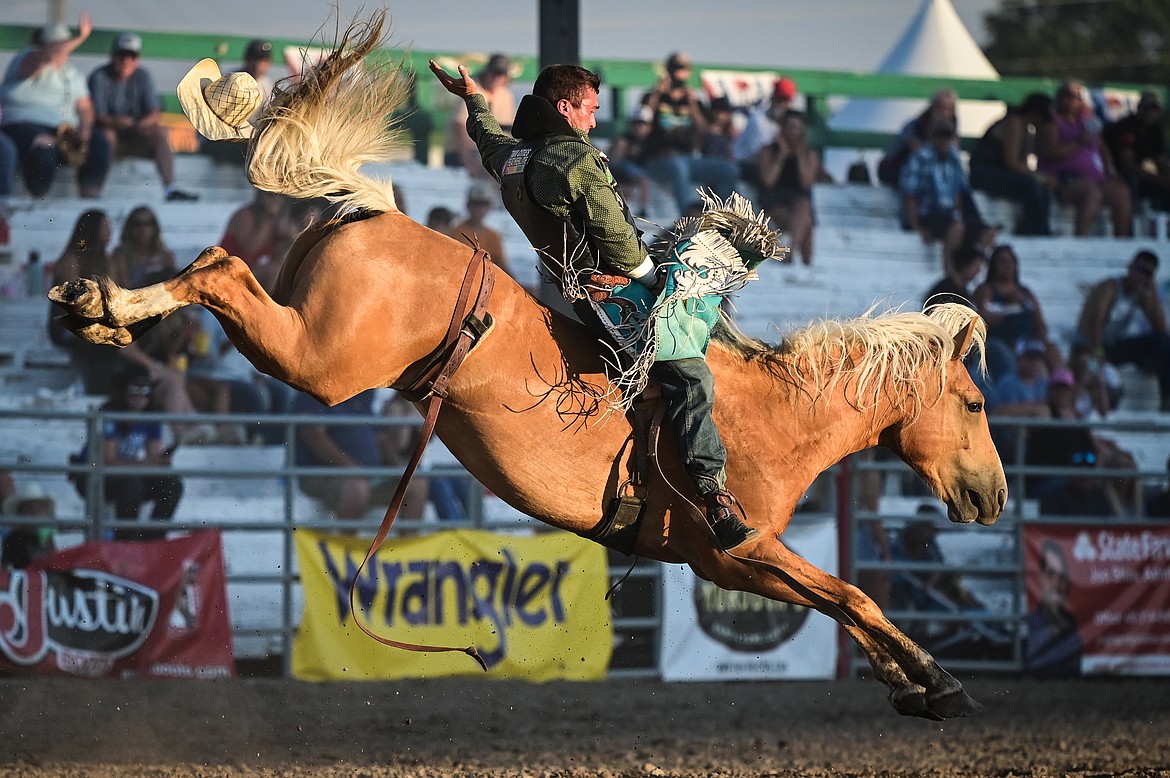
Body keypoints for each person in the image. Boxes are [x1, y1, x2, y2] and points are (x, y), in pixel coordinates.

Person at [430, 58, 760, 549]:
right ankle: (714, 501)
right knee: (691, 375)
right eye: (590, 109)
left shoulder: (518, 158)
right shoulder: (577, 161)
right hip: (611, 294)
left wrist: (474, 100)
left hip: (570, 289)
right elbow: (621, 244)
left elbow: (488, 143)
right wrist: (661, 281)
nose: (595, 119)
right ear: (565, 108)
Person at [0, 16, 111, 198]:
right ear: (45, 44)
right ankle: (38, 198)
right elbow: (47, 56)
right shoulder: (26, 58)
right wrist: (80, 37)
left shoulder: (73, 74)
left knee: (99, 143)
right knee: (45, 145)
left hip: (63, 128)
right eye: (61, 43)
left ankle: (90, 198)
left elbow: (85, 106)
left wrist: (85, 128)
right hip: (23, 123)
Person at [87, 32, 198, 202]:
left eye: (132, 55)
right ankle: (96, 191)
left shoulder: (143, 76)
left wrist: (143, 122)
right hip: (107, 135)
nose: (126, 60)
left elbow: (154, 111)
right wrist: (116, 122)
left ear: (137, 59)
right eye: (122, 54)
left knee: (160, 132)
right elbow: (96, 115)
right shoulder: (99, 77)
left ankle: (170, 188)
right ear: (113, 55)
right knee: (106, 136)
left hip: (135, 134)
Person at [291, 390, 427, 521]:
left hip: (366, 475)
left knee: (416, 483)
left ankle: (406, 543)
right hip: (325, 474)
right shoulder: (315, 391)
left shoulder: (362, 394)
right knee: (356, 486)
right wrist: (350, 467)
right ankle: (347, 543)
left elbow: (380, 438)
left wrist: (400, 467)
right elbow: (313, 435)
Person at [82, 364, 183, 540]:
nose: (140, 397)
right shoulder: (109, 414)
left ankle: (152, 539)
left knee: (172, 484)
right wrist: (146, 464)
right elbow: (108, 460)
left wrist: (160, 462)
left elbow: (152, 456)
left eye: (145, 391)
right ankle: (126, 540)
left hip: (131, 473)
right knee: (131, 483)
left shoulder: (151, 416)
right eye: (134, 391)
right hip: (98, 477)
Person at [639, 52, 738, 213]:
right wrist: (657, 93)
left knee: (728, 170)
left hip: (688, 158)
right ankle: (688, 217)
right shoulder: (652, 96)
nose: (679, 73)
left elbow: (704, 131)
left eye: (683, 68)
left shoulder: (693, 100)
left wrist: (692, 104)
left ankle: (725, 218)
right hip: (657, 159)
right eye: (676, 68)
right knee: (679, 166)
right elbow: (643, 121)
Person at [1035, 80, 1132, 237]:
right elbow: (1050, 151)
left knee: (1121, 193)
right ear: (1060, 97)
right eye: (1068, 95)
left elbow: (1102, 149)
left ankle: (1122, 242)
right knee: (1091, 193)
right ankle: (1080, 239)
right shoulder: (1051, 121)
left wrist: (1110, 171)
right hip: (1064, 178)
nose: (1071, 100)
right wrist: (1078, 143)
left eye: (1077, 96)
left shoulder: (1088, 122)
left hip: (1095, 177)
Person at [1076, 250, 1170, 411]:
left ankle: (1167, 401)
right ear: (1130, 267)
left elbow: (1161, 329)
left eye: (1147, 273)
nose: (1141, 275)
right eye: (1139, 269)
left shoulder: (1139, 294)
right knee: (1093, 369)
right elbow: (1096, 323)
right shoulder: (1110, 288)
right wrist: (1099, 353)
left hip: (1113, 347)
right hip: (1090, 347)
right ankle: (1095, 406)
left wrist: (1152, 291)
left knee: (1162, 342)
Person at [899, 119, 996, 273]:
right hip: (928, 214)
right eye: (940, 135)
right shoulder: (920, 158)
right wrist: (916, 226)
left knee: (988, 232)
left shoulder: (954, 158)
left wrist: (961, 216)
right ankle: (950, 274)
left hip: (949, 215)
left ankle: (972, 270)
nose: (943, 140)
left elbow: (960, 193)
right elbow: (910, 195)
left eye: (947, 136)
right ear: (931, 136)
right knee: (956, 227)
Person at [969, 92, 1054, 237]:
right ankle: (1034, 231)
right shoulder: (1014, 122)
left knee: (1040, 189)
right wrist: (1041, 178)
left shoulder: (1026, 130)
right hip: (984, 172)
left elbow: (1023, 165)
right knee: (1031, 185)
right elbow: (1012, 162)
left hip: (999, 173)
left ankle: (1040, 229)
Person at [972, 244, 1058, 369]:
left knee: (1052, 350)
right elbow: (983, 321)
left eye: (1010, 261)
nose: (1007, 266)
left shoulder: (1025, 292)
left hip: (1028, 342)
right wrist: (1008, 307)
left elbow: (1040, 323)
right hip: (1001, 342)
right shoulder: (986, 290)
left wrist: (1038, 339)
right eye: (1002, 261)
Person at [756, 110, 821, 266]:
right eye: (790, 127)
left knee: (804, 209)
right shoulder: (768, 151)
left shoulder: (809, 154)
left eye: (797, 128)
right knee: (806, 222)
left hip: (799, 200)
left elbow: (806, 182)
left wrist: (799, 156)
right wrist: (781, 156)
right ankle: (805, 262)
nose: (793, 132)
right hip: (774, 199)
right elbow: (768, 181)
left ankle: (792, 253)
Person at [443, 53, 516, 178]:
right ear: (486, 73)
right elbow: (460, 129)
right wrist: (470, 164)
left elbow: (508, 131)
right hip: (462, 156)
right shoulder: (472, 90)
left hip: (490, 155)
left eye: (501, 75)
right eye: (494, 73)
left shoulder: (506, 96)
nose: (497, 78)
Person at [1104, 91, 1170, 215]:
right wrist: (1157, 179)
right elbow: (1126, 165)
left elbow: (1161, 159)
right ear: (1139, 108)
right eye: (1148, 109)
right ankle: (1129, 230)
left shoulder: (1155, 129)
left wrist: (1166, 177)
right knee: (1131, 186)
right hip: (1116, 172)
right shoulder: (1127, 126)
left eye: (1154, 110)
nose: (1151, 113)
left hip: (1140, 173)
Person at [1025, 539, 1083, 676]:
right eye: (1051, 574)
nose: (1057, 583)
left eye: (1061, 576)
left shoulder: (1073, 626)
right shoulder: (1031, 625)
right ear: (1041, 577)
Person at [878, 88, 957, 187]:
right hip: (897, 168)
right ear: (932, 107)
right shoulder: (916, 126)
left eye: (949, 108)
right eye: (940, 107)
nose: (943, 112)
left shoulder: (951, 128)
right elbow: (917, 152)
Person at [734, 76, 797, 186]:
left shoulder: (787, 124)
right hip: (745, 165)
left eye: (787, 101)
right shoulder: (758, 121)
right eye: (780, 100)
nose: (784, 105)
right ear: (773, 98)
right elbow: (762, 157)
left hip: (766, 167)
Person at [452, 180, 512, 278]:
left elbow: (503, 266)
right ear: (468, 205)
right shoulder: (456, 232)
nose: (479, 209)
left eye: (483, 205)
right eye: (476, 204)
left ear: (489, 207)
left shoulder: (493, 236)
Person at [110, 205, 177, 287]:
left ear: (154, 227)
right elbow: (121, 285)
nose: (143, 229)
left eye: (148, 224)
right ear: (130, 228)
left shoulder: (165, 256)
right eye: (137, 224)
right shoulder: (121, 256)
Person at [218, 188, 286, 267]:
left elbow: (280, 254)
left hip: (251, 269)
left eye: (281, 196)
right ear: (261, 196)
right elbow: (249, 250)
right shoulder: (245, 216)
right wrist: (268, 218)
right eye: (270, 194)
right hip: (227, 268)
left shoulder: (280, 220)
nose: (276, 199)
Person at [1, 481, 55, 568]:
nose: (34, 513)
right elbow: (5, 570)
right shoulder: (13, 539)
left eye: (38, 509)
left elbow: (55, 564)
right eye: (29, 508)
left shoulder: (47, 537)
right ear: (20, 513)